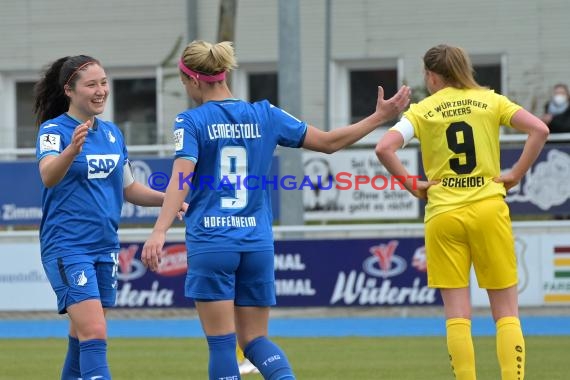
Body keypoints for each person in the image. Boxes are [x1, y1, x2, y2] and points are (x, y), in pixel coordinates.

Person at [141, 39, 410, 380]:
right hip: (256, 244)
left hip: (212, 242)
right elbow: (329, 143)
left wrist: (160, 229)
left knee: (223, 344)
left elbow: (182, 173)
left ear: (193, 80)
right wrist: (379, 117)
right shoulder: (266, 114)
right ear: (224, 75)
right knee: (255, 339)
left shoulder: (190, 121)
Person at [375, 44, 549, 380]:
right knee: (506, 312)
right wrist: (515, 173)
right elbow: (539, 130)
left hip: (443, 214)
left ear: (431, 75)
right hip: (488, 208)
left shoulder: (423, 110)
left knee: (457, 314)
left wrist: (414, 184)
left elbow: (385, 147)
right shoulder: (491, 100)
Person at [34, 55, 185, 380]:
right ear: (69, 91)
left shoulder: (113, 133)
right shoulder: (53, 131)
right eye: (91, 84)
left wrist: (171, 201)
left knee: (81, 337)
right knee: (95, 333)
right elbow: (47, 175)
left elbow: (130, 189)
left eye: (104, 82)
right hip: (67, 247)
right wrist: (70, 151)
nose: (101, 90)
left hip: (104, 247)